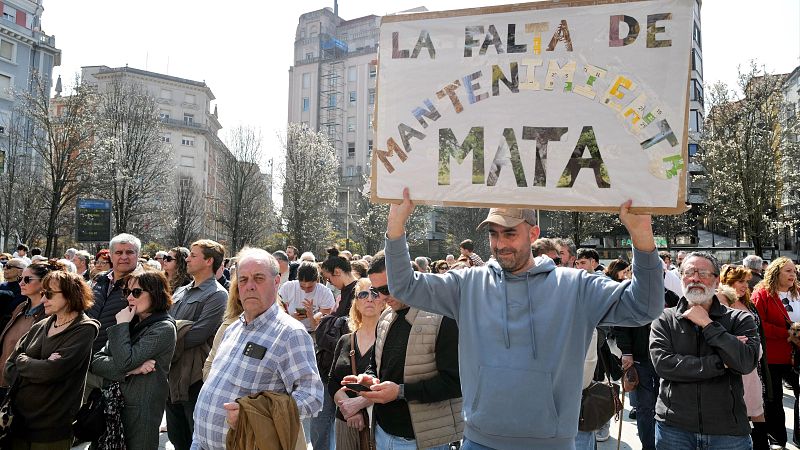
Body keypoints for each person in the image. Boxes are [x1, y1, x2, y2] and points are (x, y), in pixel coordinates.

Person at [381, 188, 663, 449]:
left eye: (509, 233)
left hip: (552, 443)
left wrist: (642, 239)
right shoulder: (467, 284)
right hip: (480, 441)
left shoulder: (576, 286)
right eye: (493, 234)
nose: (500, 243)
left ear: (533, 233)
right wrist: (395, 226)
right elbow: (404, 287)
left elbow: (644, 307)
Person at [192, 247, 323, 450]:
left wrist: (253, 415)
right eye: (243, 280)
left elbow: (312, 397)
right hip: (201, 443)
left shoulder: (290, 334)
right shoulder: (234, 327)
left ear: (277, 281)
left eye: (258, 278)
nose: (249, 286)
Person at [344, 251, 462, 450]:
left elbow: (455, 383)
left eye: (387, 288)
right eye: (375, 290)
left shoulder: (443, 317)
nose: (381, 297)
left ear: (408, 277)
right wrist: (369, 378)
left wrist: (399, 392)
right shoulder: (386, 317)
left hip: (424, 440)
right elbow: (377, 364)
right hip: (383, 432)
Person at [650, 252, 759, 449]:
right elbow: (665, 366)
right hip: (674, 429)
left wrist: (708, 324)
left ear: (717, 280)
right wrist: (722, 362)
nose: (695, 278)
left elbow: (745, 362)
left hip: (728, 430)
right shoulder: (664, 319)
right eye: (689, 272)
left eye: (703, 273)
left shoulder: (740, 320)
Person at [4, 270, 99, 449]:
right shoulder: (40, 325)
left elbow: (52, 371)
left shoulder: (84, 329)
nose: (42, 300)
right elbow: (9, 369)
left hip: (51, 430)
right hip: (18, 424)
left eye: (48, 294)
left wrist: (24, 362)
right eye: (42, 293)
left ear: (70, 295)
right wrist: (40, 365)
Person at [90, 269, 177, 450]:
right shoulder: (130, 322)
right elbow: (97, 361)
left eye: (136, 292)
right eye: (126, 292)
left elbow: (124, 361)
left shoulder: (163, 328)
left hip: (140, 410)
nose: (129, 297)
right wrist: (132, 370)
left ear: (155, 294)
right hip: (113, 406)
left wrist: (121, 325)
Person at [167, 239, 228, 450]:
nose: (187, 259)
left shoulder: (218, 295)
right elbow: (163, 325)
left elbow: (198, 335)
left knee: (196, 438)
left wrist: (163, 342)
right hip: (172, 374)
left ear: (209, 261)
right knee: (177, 438)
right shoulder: (181, 291)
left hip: (194, 378)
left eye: (193, 255)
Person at [327, 278, 384, 450]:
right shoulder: (345, 340)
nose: (369, 299)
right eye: (363, 294)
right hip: (345, 421)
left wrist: (358, 404)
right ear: (356, 304)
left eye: (375, 293)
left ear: (384, 303)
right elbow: (332, 381)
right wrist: (349, 410)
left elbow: (392, 381)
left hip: (377, 422)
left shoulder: (388, 340)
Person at [752, 256, 800, 448]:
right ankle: (778, 440)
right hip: (772, 356)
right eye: (788, 271)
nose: (793, 274)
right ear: (776, 272)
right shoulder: (762, 294)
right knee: (774, 400)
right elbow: (757, 324)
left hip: (796, 356)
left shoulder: (798, 292)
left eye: (794, 271)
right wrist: (787, 333)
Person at [720, 265, 769, 449]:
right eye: (740, 281)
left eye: (747, 282)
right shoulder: (722, 304)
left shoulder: (749, 304)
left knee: (757, 410)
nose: (744, 286)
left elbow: (759, 335)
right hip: (732, 367)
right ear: (727, 282)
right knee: (737, 411)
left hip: (753, 367)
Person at [0, 261, 61, 389]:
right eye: (20, 278)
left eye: (27, 279)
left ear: (44, 282)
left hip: (24, 385)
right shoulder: (20, 307)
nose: (21, 283)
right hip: (5, 378)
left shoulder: (50, 315)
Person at [279, 262, 335, 332]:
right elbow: (278, 314)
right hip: (290, 329)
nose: (306, 290)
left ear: (317, 280)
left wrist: (311, 316)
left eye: (310, 287)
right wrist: (292, 318)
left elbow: (321, 328)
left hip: (313, 333)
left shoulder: (325, 292)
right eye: (302, 286)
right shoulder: (287, 287)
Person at [0, 258, 28, 327]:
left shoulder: (23, 289)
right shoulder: (2, 285)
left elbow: (9, 309)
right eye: (5, 266)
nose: (5, 269)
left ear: (20, 271)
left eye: (9, 267)